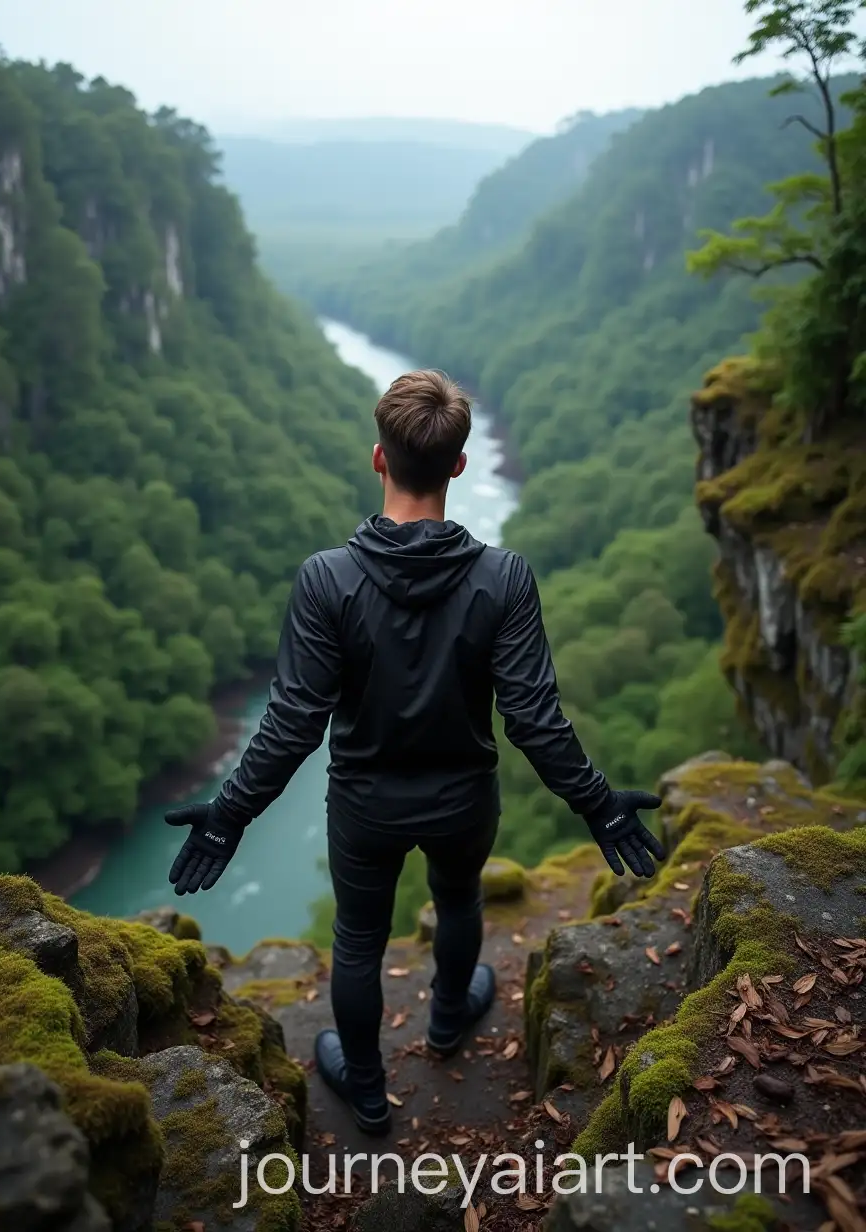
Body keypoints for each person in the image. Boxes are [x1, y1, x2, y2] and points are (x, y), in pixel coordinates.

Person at [164, 369, 666, 1137]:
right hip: (465, 800)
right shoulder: (504, 578)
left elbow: (295, 723)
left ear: (378, 459)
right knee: (460, 900)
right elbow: (532, 718)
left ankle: (366, 1090)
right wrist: (599, 805)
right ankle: (446, 1020)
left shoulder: (326, 580)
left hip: (363, 806)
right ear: (458, 466)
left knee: (358, 941)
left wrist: (229, 817)